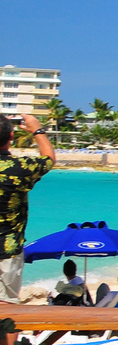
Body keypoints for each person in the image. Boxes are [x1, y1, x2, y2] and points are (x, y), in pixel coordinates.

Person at [0, 114, 55, 303]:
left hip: (9, 250)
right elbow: (48, 159)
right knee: (7, 308)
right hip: (8, 250)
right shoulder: (20, 168)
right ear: (11, 137)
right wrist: (37, 130)